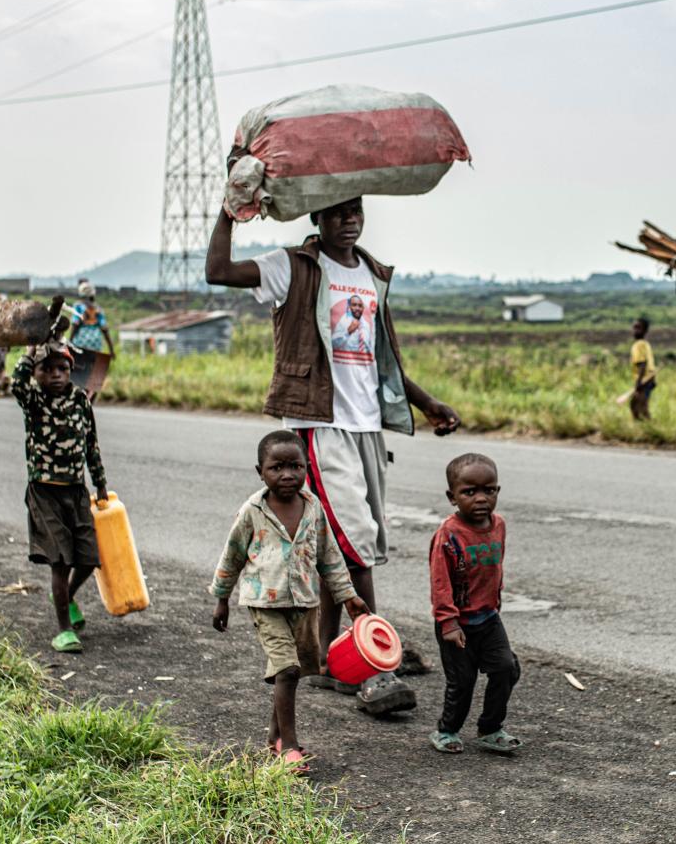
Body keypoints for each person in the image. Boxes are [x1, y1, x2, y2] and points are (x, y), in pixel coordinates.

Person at [205, 197, 462, 717]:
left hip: (366, 425)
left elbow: (378, 358)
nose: (350, 219)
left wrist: (428, 403)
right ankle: (375, 664)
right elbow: (218, 271)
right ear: (316, 218)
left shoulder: (370, 272)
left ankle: (328, 657)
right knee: (356, 545)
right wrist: (230, 213)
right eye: (338, 211)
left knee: (339, 544)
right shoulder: (294, 268)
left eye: (356, 210)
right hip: (318, 425)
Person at [211, 430, 370, 773]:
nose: (287, 475)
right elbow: (232, 555)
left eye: (295, 466)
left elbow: (329, 557)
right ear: (260, 472)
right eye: (276, 468)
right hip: (265, 604)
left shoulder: (313, 508)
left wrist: (349, 597)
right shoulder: (253, 510)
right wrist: (221, 599)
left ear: (307, 467)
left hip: (304, 603)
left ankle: (276, 736)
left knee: (294, 674)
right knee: (287, 669)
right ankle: (291, 747)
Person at [13, 332, 107, 654]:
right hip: (44, 491)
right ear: (36, 373)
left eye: (62, 369)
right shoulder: (33, 400)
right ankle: (64, 630)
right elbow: (16, 384)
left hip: (76, 491)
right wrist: (29, 351)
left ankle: (64, 595)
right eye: (47, 369)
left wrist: (101, 483)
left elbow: (91, 443)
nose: (55, 375)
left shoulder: (80, 400)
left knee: (89, 557)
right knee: (60, 560)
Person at [427, 453, 523, 756]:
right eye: (469, 492)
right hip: (458, 622)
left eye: (489, 490)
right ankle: (447, 729)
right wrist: (449, 622)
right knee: (463, 682)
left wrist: (496, 601)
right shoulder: (448, 534)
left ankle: (490, 728)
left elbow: (496, 569)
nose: (481, 498)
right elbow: (440, 582)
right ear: (452, 496)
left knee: (506, 669)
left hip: (488, 617)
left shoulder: (499, 525)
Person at [64, 279, 114, 394]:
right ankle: (91, 395)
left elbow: (75, 324)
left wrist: (70, 341)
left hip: (81, 341)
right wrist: (111, 349)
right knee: (94, 372)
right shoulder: (98, 309)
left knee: (79, 372)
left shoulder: (78, 306)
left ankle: (79, 394)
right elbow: (105, 329)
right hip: (96, 343)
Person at [627, 317, 657, 421]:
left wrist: (638, 382)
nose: (635, 330)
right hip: (648, 379)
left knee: (640, 406)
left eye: (638, 328)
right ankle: (642, 427)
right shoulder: (645, 344)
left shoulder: (638, 345)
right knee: (636, 405)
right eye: (634, 327)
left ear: (645, 331)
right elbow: (650, 365)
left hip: (644, 381)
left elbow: (643, 364)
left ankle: (649, 428)